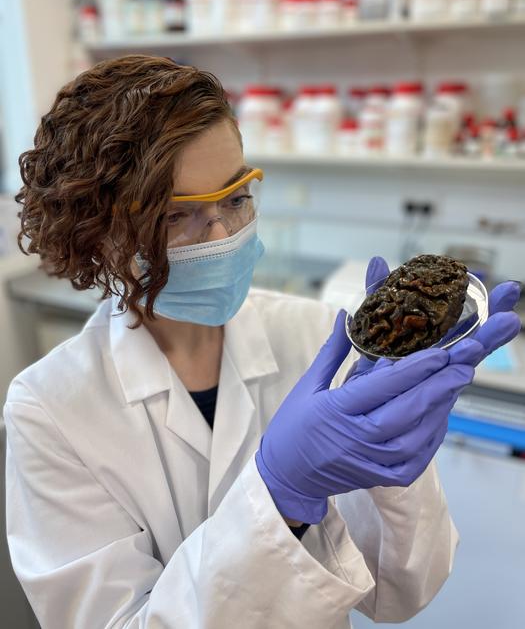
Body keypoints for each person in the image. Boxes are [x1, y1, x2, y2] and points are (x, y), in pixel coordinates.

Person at [4, 55, 520, 628]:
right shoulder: (47, 410)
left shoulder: (323, 336)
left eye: (235, 196)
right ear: (94, 232)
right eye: (176, 215)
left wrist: (396, 477)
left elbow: (402, 595)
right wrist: (280, 497)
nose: (222, 236)